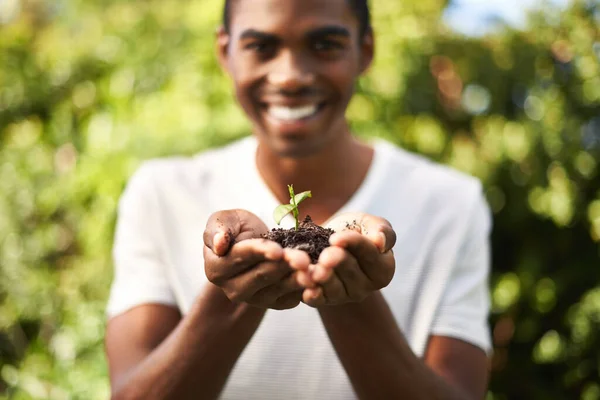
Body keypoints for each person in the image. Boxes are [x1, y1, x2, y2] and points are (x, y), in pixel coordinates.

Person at [104, 0, 493, 399]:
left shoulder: (451, 205)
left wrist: (349, 298)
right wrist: (232, 297)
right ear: (226, 52)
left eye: (324, 45)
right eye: (261, 46)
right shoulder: (161, 194)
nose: (290, 77)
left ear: (366, 50)